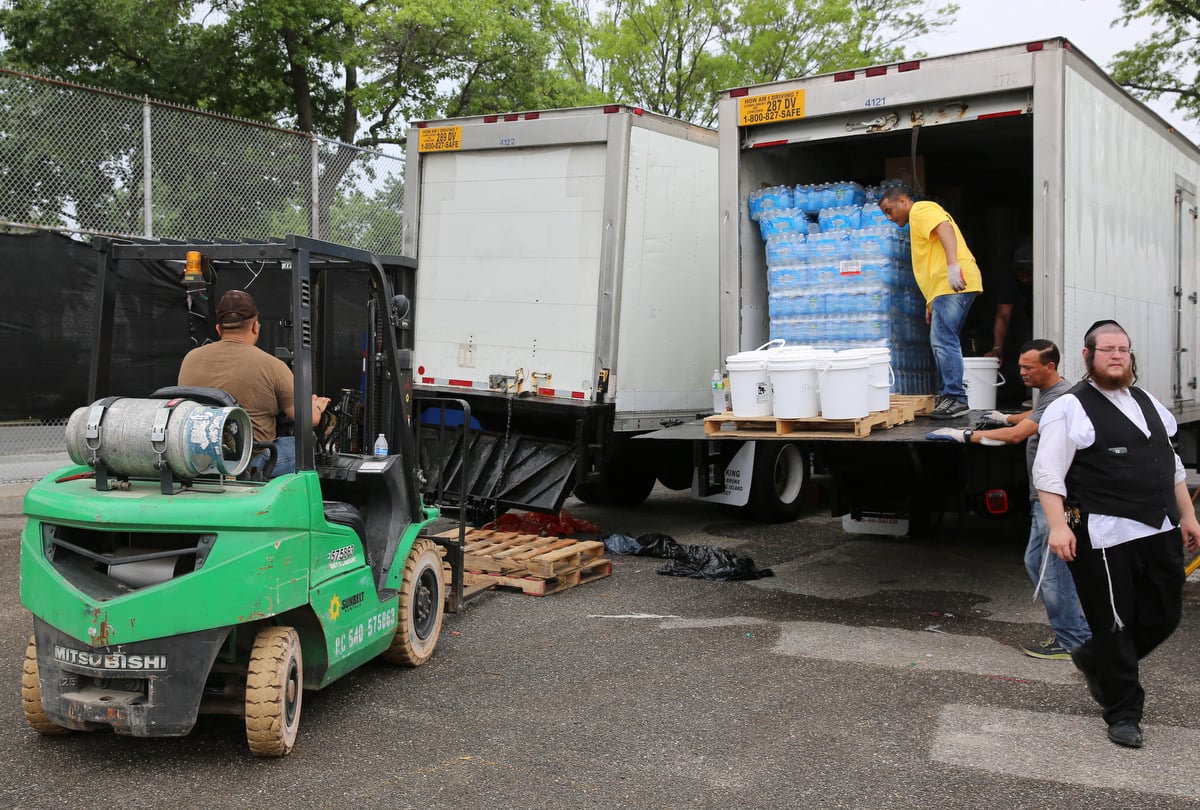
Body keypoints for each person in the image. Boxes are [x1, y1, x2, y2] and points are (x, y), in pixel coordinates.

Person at [1033, 320, 1200, 748]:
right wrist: (1057, 526)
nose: (1116, 355)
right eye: (1106, 349)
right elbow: (1048, 474)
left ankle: (1094, 659)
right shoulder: (1068, 408)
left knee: (1165, 614)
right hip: (1104, 535)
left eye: (1123, 349)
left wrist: (1188, 516)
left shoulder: (1149, 403)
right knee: (1114, 623)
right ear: (1087, 356)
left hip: (1159, 526)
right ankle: (1123, 712)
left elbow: (1172, 467)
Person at [926, 339, 1091, 659]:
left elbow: (1019, 436)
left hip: (1054, 497)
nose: (1022, 373)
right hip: (1045, 496)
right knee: (1038, 563)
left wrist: (964, 435)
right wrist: (1004, 417)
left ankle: (1072, 639)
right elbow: (1033, 416)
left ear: (1050, 367)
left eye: (1029, 367)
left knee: (1051, 571)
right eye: (1020, 366)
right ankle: (1076, 631)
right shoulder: (1053, 393)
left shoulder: (1061, 396)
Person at [178, 289, 330, 478]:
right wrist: (315, 406)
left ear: (218, 329)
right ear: (255, 327)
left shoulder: (190, 359)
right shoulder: (272, 366)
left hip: (199, 458)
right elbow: (310, 419)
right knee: (310, 444)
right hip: (247, 462)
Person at [879, 184, 984, 419]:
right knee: (942, 338)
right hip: (941, 290)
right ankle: (951, 395)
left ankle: (956, 397)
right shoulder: (917, 219)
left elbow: (944, 228)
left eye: (889, 210)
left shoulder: (921, 210)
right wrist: (930, 304)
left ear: (903, 202)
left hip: (952, 283)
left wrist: (952, 265)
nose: (889, 217)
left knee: (944, 339)